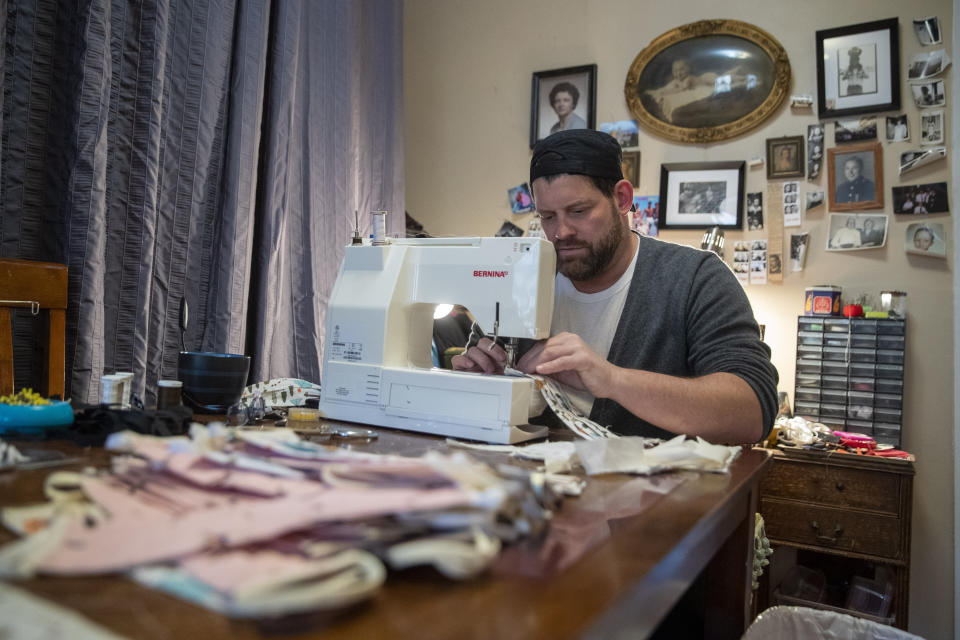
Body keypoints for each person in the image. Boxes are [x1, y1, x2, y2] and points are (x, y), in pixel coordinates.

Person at [452, 129, 778, 444]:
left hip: (656, 495)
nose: (560, 232)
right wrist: (478, 387)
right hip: (535, 491)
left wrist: (611, 379)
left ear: (622, 198)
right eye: (548, 216)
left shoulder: (695, 280)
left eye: (578, 211)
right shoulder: (517, 281)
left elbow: (752, 412)